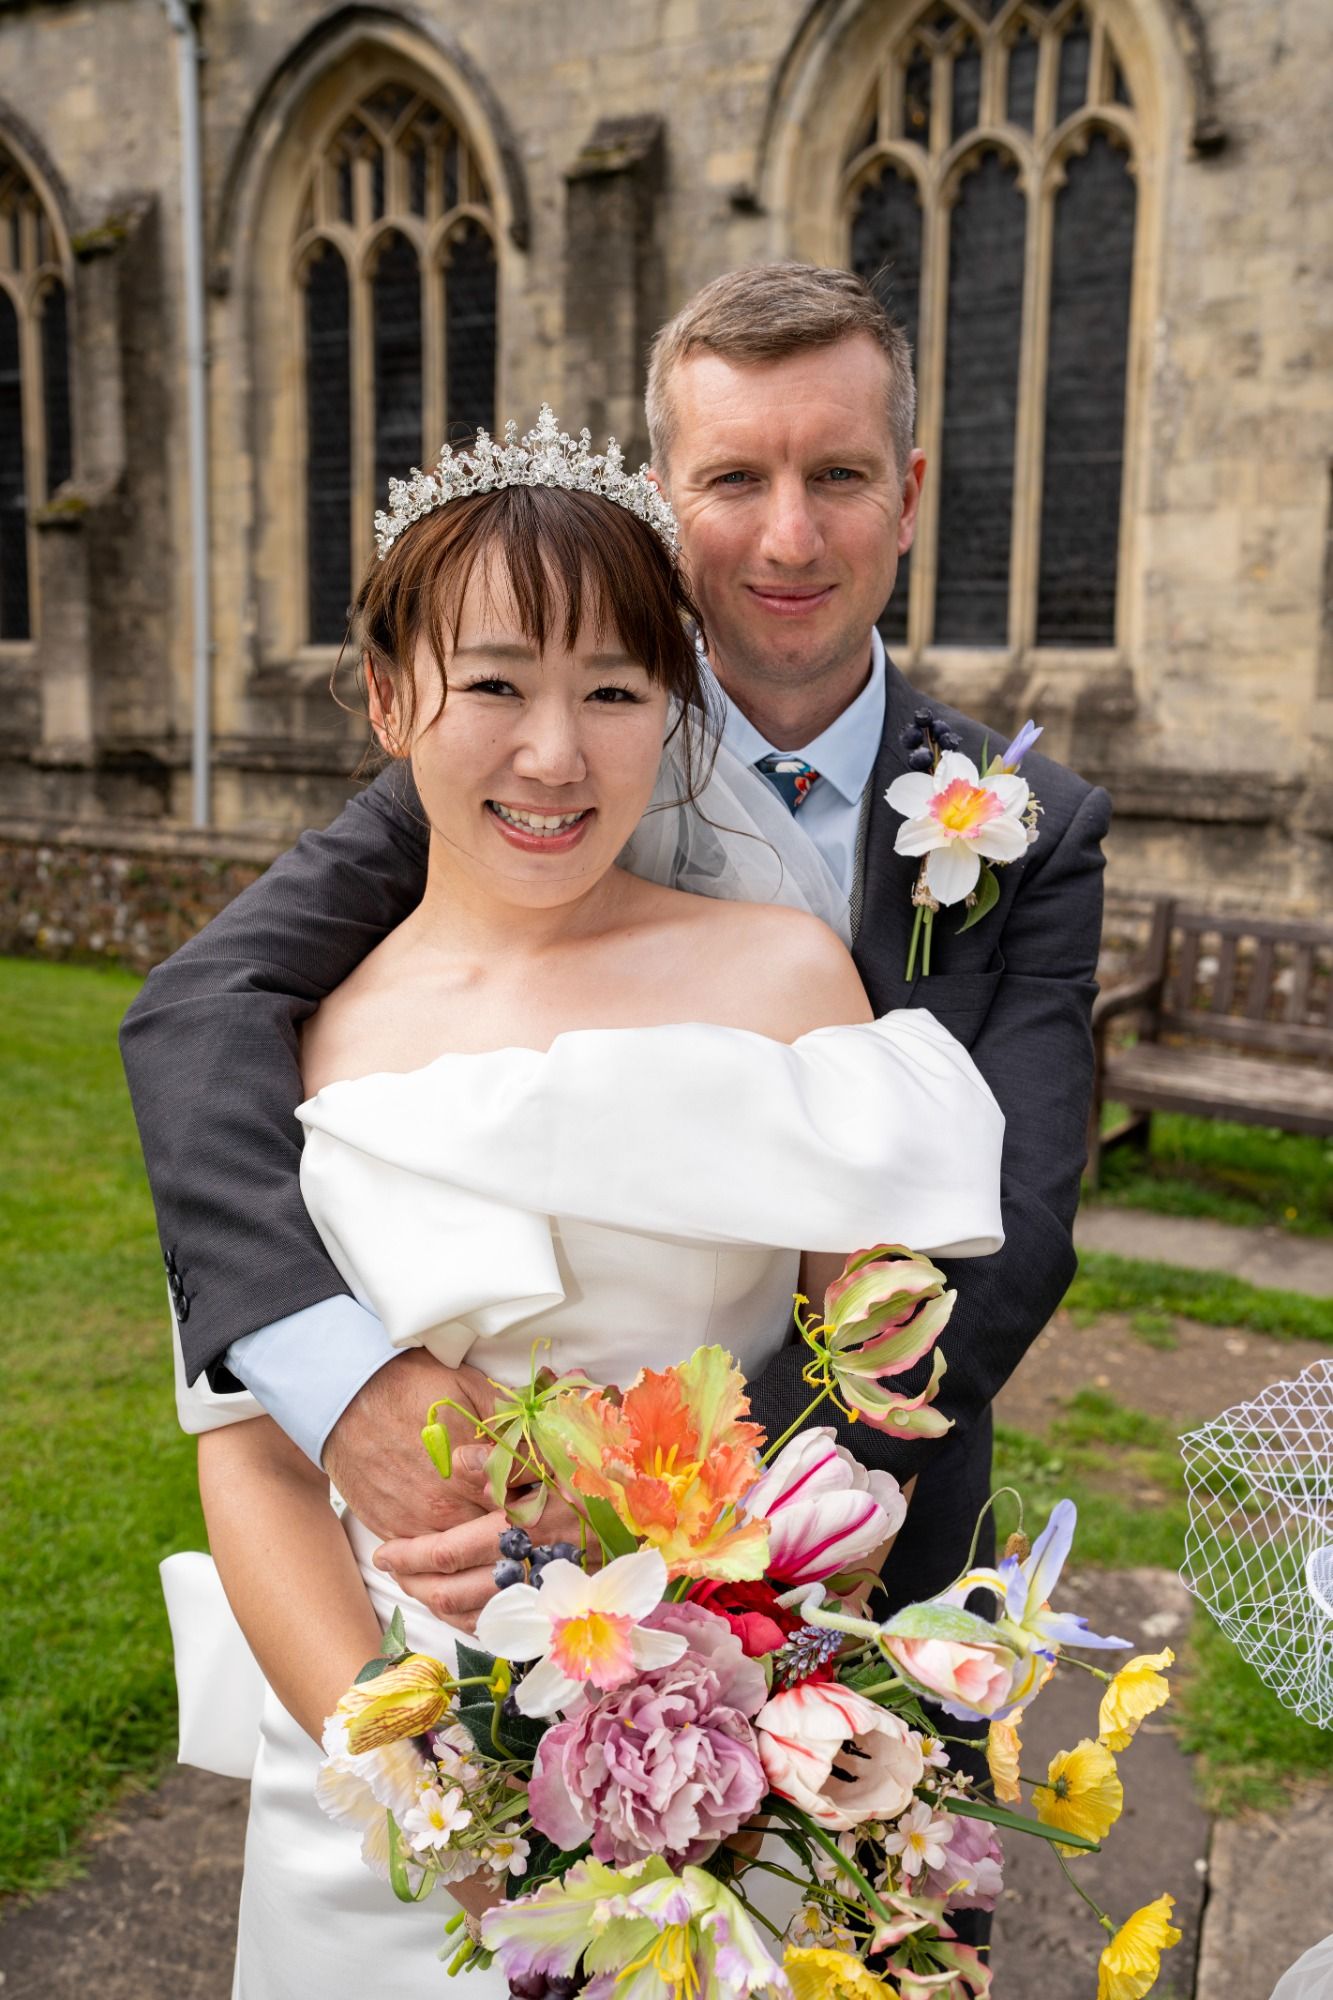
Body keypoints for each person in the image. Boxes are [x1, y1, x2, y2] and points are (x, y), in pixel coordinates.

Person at [122, 264, 1109, 1643]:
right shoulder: (520, 752)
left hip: (848, 1562)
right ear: (663, 497)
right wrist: (334, 1378)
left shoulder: (1028, 824)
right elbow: (202, 1011)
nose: (787, 536)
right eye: (733, 479)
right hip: (437, 1599)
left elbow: (1016, 1229)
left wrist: (689, 1528)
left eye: (837, 475)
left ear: (908, 493)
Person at [167, 428, 1007, 1995]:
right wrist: (431, 1792)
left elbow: (874, 1396)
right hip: (384, 1775)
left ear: (672, 708)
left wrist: (728, 1656)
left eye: (613, 692)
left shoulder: (781, 986)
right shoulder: (288, 1042)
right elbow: (256, 1465)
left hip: (714, 1756)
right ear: (386, 698)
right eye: (493, 684)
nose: (554, 756)